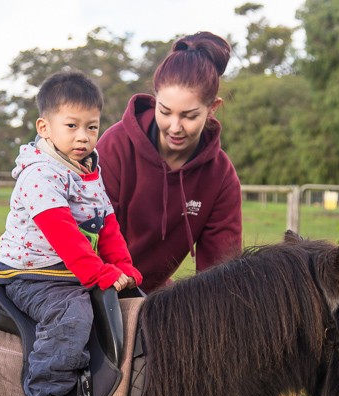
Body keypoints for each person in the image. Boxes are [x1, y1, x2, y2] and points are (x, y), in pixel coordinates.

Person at [0, 71, 142, 396]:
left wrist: (124, 265)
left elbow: (106, 223)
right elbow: (65, 237)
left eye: (91, 127)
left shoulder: (88, 168)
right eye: (72, 126)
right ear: (45, 126)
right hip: (31, 273)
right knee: (72, 316)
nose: (83, 137)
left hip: (68, 269)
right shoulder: (39, 174)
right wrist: (100, 274)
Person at [97, 31, 242, 293]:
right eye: (165, 111)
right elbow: (90, 237)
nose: (175, 127)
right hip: (94, 285)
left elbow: (220, 275)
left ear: (212, 108)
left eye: (189, 116)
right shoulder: (115, 147)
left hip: (151, 295)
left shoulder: (221, 177)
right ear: (154, 99)